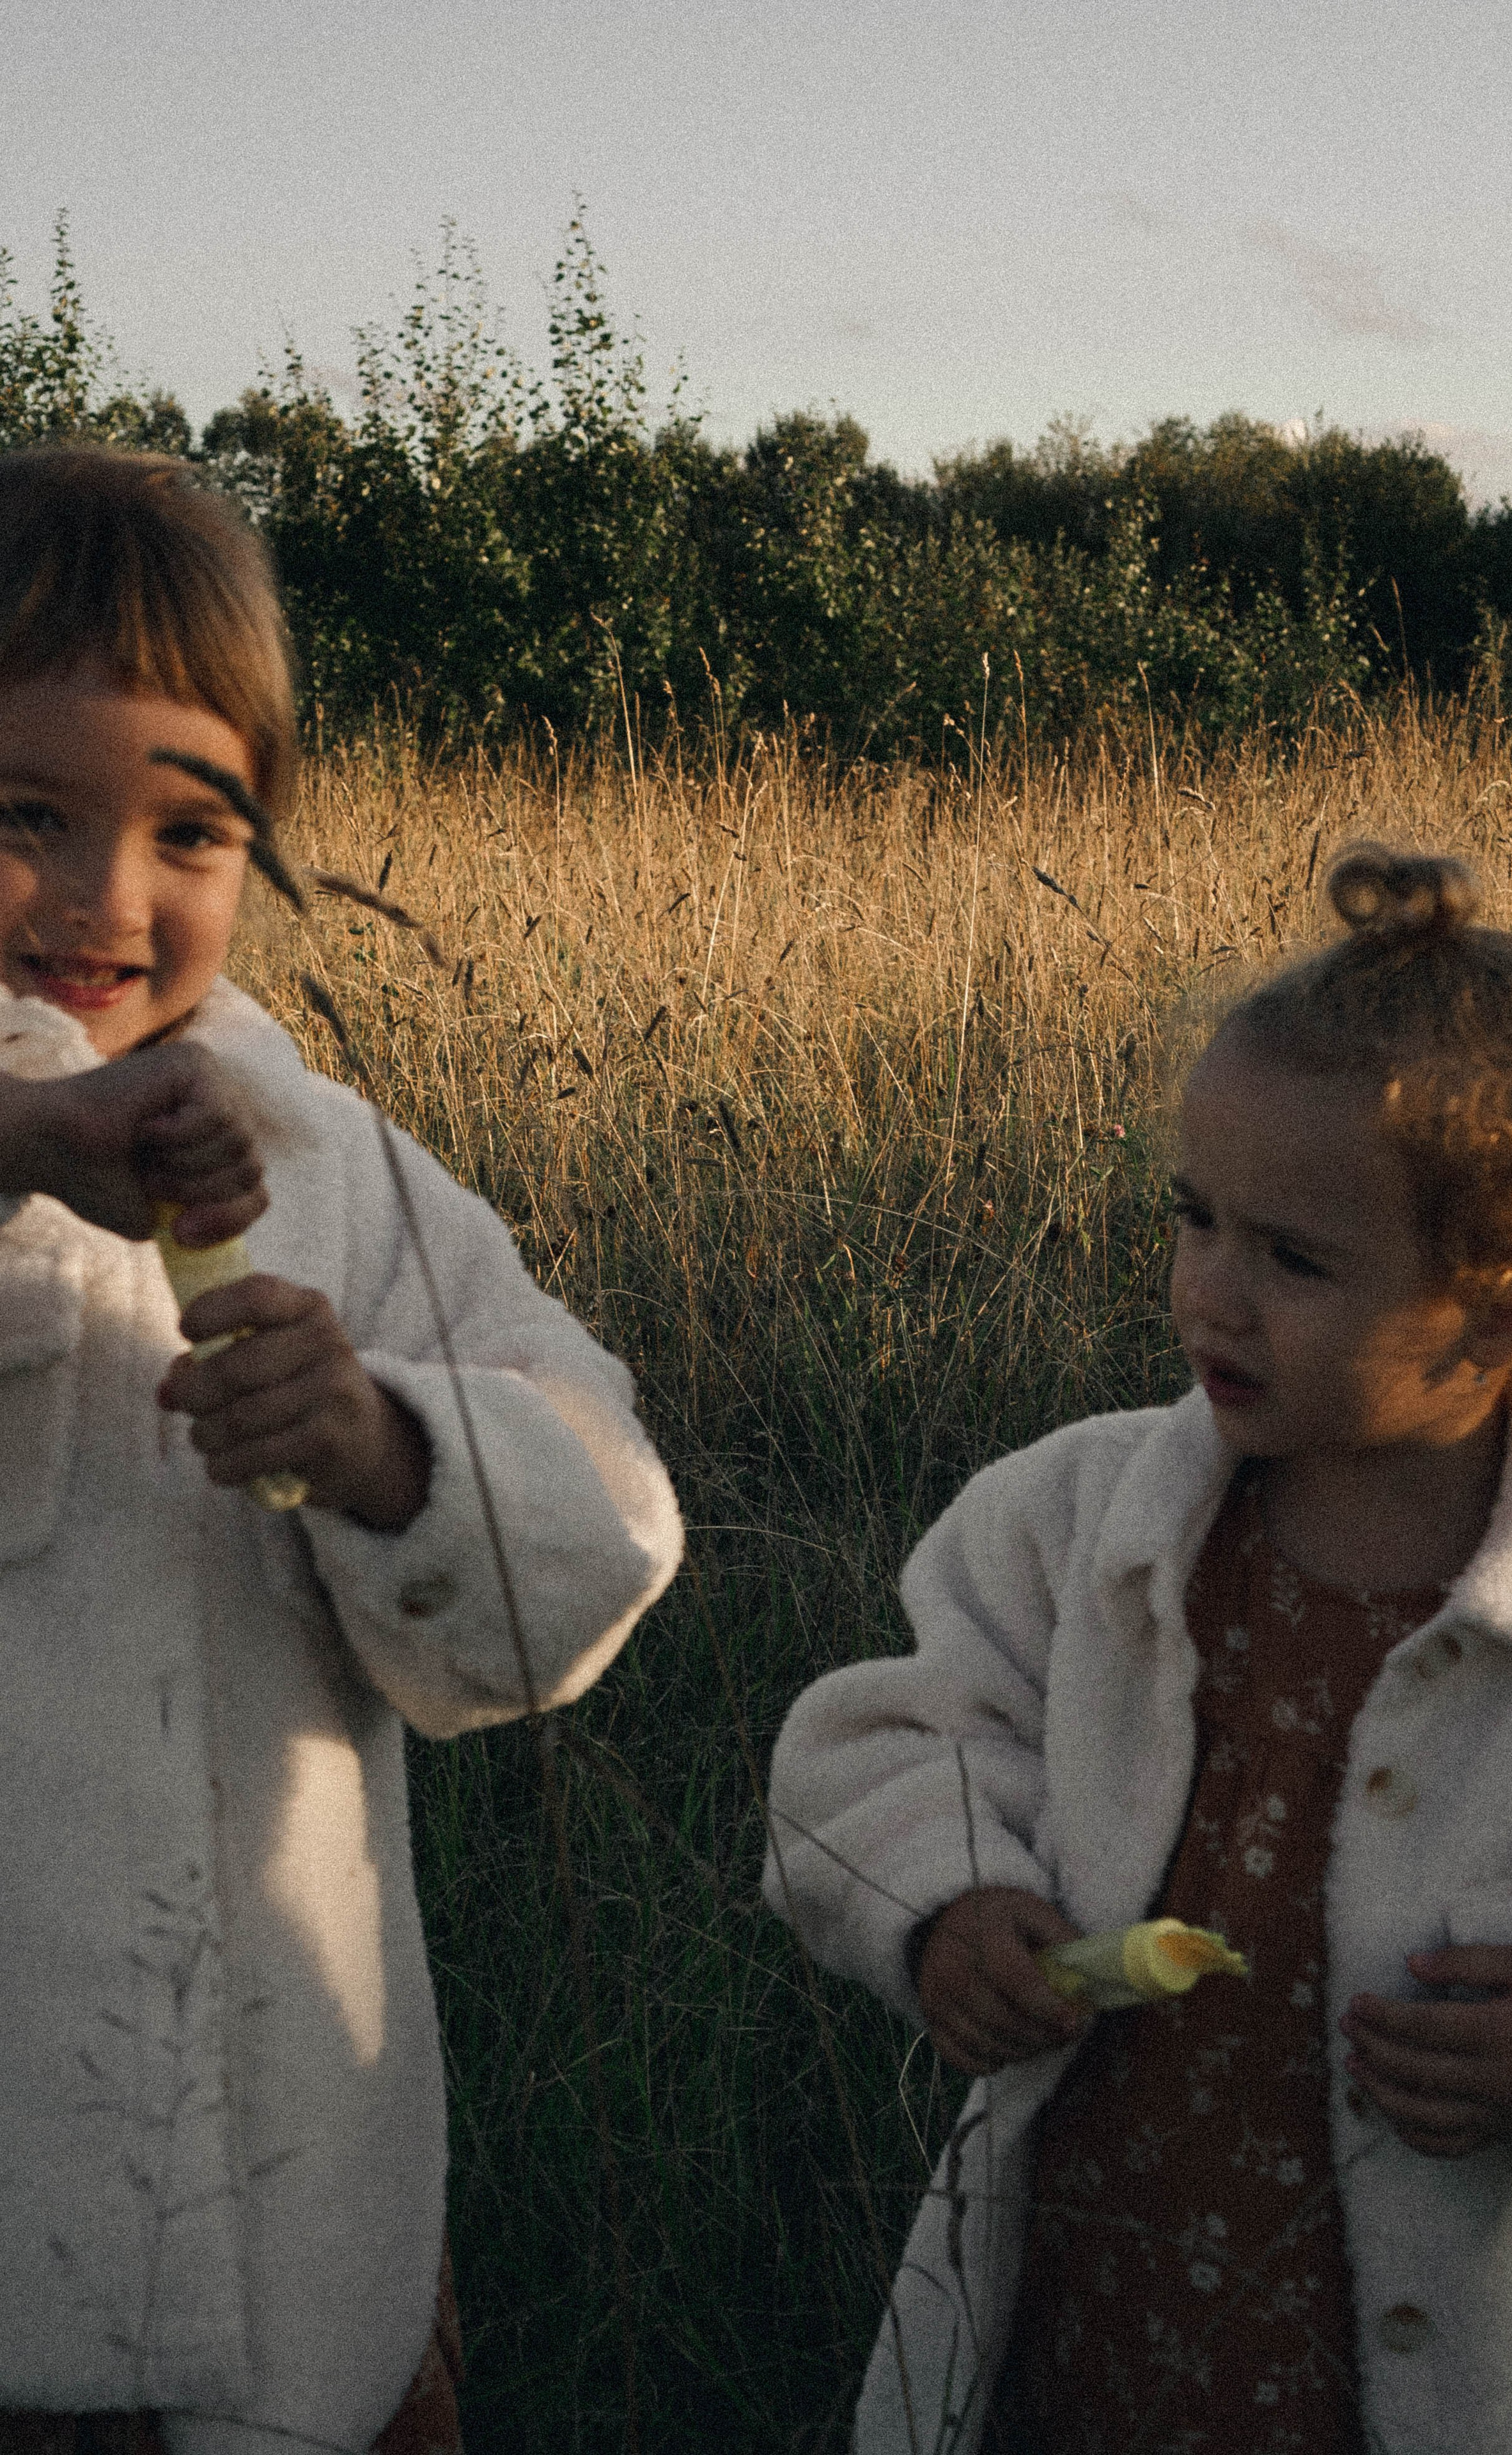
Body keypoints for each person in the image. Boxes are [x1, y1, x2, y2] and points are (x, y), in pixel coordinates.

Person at [765, 845, 1512, 2455]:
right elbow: (873, 1739)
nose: (1207, 1293)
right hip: (1091, 2299)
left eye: (1293, 1259)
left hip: (1435, 2359)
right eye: (1195, 1218)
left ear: (1500, 1314)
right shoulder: (1077, 1518)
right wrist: (948, 1898)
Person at [0, 446, 684, 2454]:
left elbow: (602, 1500)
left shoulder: (340, 1170)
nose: (107, 900)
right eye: (22, 814)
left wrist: (392, 1448)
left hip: (300, 2231)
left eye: (190, 831)